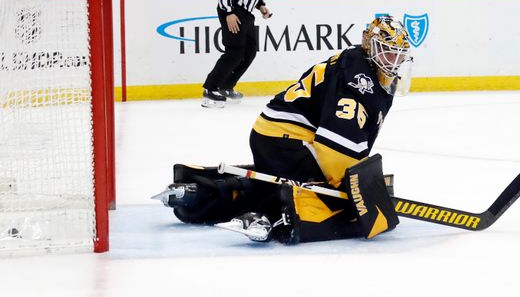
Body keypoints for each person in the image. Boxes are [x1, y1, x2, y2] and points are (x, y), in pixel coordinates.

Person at [157, 16, 412, 245]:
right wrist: (351, 188)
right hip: (286, 141)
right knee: (332, 198)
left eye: (400, 55)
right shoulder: (359, 82)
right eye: (389, 53)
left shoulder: (359, 65)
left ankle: (201, 192)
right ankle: (273, 217)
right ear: (370, 46)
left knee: (280, 182)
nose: (395, 61)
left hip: (274, 135)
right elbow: (334, 149)